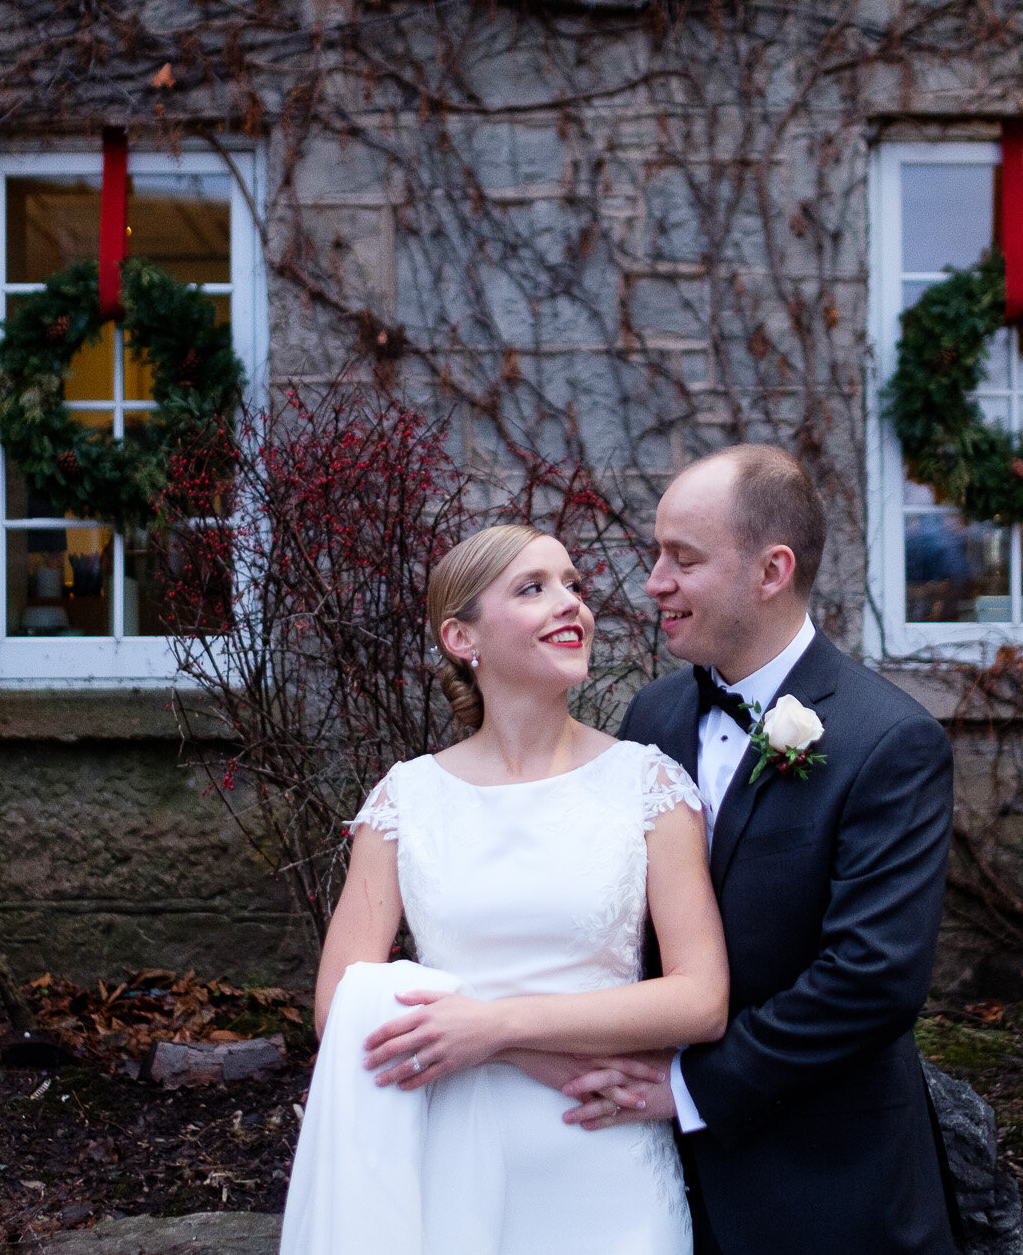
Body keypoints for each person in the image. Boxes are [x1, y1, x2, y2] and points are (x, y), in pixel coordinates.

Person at [281, 524, 728, 1255]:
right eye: (534, 588)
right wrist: (512, 1050)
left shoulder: (648, 784)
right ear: (463, 637)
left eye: (574, 585)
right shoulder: (405, 801)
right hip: (450, 1158)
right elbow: (339, 1007)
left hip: (604, 1160)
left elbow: (701, 997)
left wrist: (494, 1026)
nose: (571, 605)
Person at [563, 445, 961, 1255]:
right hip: (647, 1174)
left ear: (772, 569)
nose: (653, 583)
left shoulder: (889, 741)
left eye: (684, 558)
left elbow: (872, 979)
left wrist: (689, 1087)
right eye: (657, 554)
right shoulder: (654, 716)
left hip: (826, 1185)